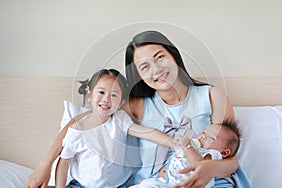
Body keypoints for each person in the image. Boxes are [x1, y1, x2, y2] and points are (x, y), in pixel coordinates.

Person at [25, 30, 250, 188]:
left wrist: (209, 169)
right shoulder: (137, 105)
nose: (156, 70)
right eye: (145, 67)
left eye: (160, 57)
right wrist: (44, 166)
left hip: (208, 182)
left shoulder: (212, 96)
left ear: (174, 56)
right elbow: (82, 121)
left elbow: (232, 159)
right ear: (139, 76)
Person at [55, 69, 175, 188]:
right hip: (82, 185)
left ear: (121, 103)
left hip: (118, 185)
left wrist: (175, 144)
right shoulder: (77, 130)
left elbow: (147, 133)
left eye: (114, 95)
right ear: (89, 94)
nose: (106, 99)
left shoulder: (119, 120)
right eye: (101, 92)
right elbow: (64, 163)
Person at [136, 119, 241, 188]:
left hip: (189, 184)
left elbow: (199, 166)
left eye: (211, 138)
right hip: (168, 182)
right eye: (203, 133)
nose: (202, 137)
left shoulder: (213, 155)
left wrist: (187, 147)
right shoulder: (195, 149)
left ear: (224, 152)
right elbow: (173, 163)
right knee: (147, 184)